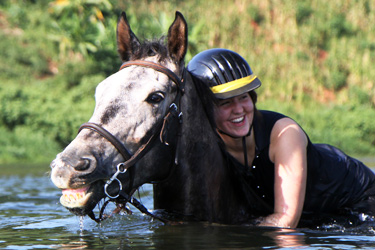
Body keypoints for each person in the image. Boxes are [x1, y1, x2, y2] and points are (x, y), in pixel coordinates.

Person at [187, 48, 375, 228]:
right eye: (226, 102)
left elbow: (285, 223)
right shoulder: (204, 147)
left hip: (360, 200)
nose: (238, 109)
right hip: (315, 217)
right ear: (204, 110)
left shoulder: (285, 133)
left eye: (243, 97)